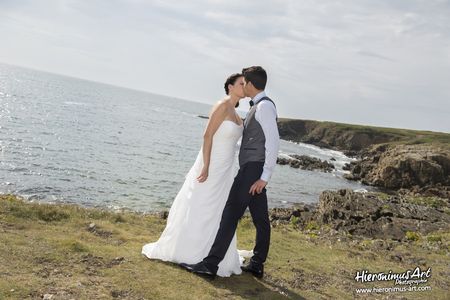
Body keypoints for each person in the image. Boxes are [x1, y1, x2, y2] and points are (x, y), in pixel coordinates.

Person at [180, 66, 280, 279]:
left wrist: (264, 176)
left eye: (245, 83)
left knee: (230, 214)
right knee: (260, 217)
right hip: (254, 169)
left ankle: (210, 265)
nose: (244, 86)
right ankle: (257, 263)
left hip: (253, 170)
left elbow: (273, 142)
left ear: (251, 84)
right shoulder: (258, 106)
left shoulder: (264, 107)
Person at [141, 73, 246, 277]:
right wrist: (206, 165)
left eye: (245, 83)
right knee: (201, 204)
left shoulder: (235, 111)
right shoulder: (222, 105)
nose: (244, 86)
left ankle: (214, 253)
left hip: (226, 170)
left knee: (219, 210)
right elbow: (207, 135)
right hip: (212, 164)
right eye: (241, 83)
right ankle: (189, 251)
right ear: (230, 87)